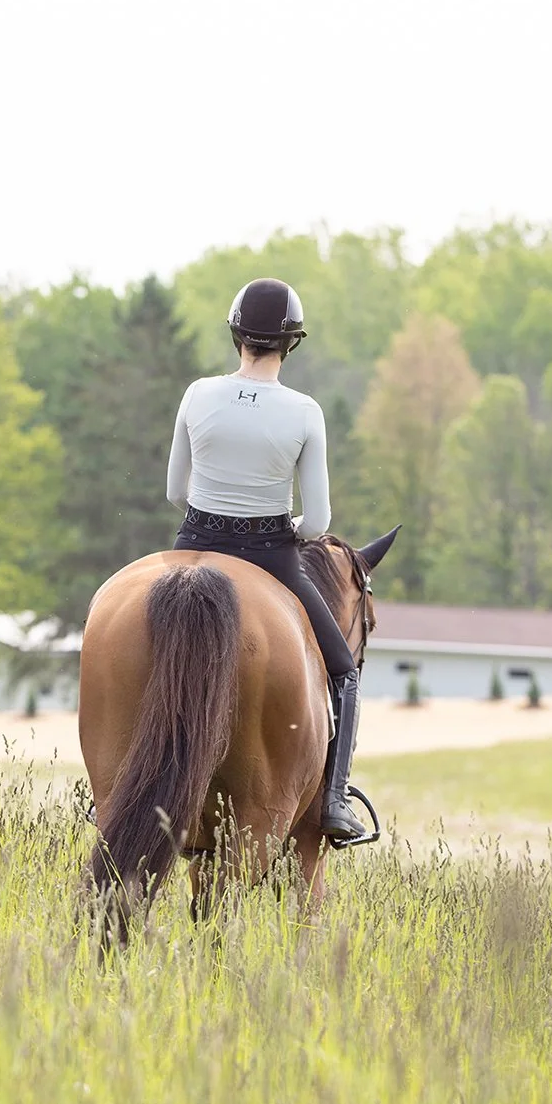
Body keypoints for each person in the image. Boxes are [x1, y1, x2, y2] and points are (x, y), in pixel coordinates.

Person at [165, 276, 368, 844]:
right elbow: (320, 522)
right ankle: (333, 801)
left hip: (194, 542)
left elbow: (174, 491)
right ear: (290, 343)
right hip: (271, 556)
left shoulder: (196, 394)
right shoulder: (305, 412)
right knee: (344, 673)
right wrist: (281, 531)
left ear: (236, 334)